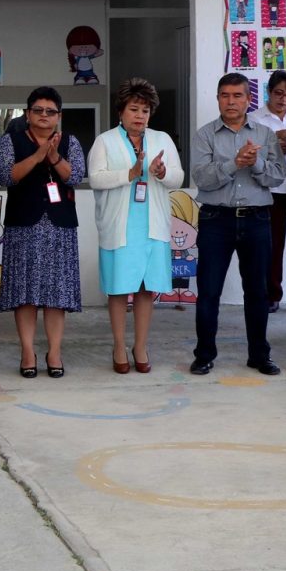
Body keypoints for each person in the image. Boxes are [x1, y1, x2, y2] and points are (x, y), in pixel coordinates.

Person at [188, 73, 286, 376]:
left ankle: (259, 355)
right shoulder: (205, 134)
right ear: (218, 99)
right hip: (216, 220)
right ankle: (204, 354)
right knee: (208, 291)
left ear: (248, 100)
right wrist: (236, 163)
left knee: (257, 292)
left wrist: (254, 162)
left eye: (237, 96)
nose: (231, 102)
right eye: (224, 95)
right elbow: (201, 177)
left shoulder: (265, 134)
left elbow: (277, 176)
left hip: (257, 220)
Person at [87, 77, 185, 374]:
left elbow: (178, 178)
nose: (140, 115)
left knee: (146, 289)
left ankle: (140, 345)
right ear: (121, 112)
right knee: (119, 290)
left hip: (152, 226)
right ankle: (118, 345)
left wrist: (162, 171)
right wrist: (129, 173)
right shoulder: (105, 141)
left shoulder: (162, 139)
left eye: (144, 110)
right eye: (134, 109)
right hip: (120, 226)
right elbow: (95, 179)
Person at [0, 86, 84, 378]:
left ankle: (54, 352)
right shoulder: (12, 140)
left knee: (57, 295)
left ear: (58, 115)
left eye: (50, 111)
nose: (44, 116)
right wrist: (37, 156)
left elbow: (77, 177)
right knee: (25, 294)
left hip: (60, 228)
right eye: (38, 110)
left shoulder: (70, 141)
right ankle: (27, 351)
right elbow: (6, 175)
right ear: (28, 113)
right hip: (24, 227)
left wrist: (55, 157)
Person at [253, 70, 286, 312]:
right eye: (279, 93)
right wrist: (274, 141)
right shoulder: (255, 119)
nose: (283, 99)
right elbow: (250, 150)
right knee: (273, 246)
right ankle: (272, 295)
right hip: (271, 189)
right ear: (269, 92)